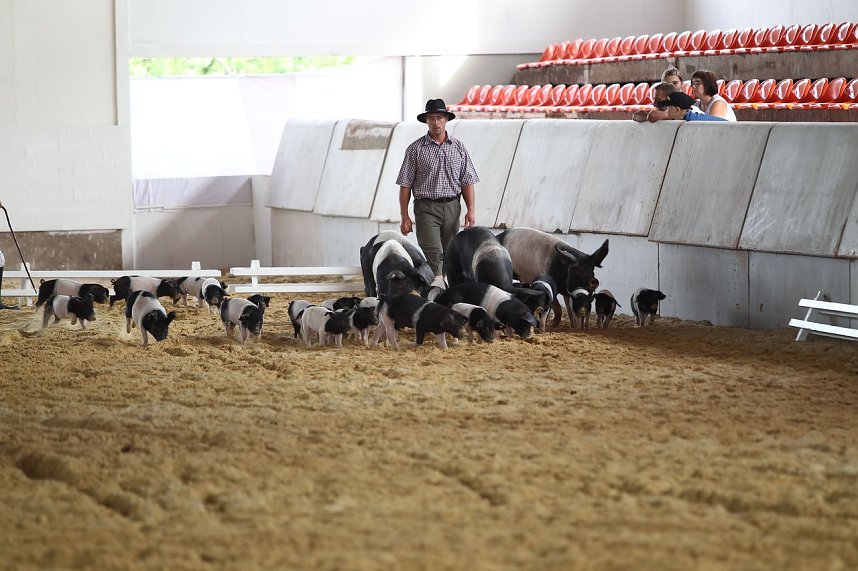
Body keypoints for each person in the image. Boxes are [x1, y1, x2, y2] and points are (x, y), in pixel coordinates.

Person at [397, 99, 479, 279]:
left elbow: (467, 180)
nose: (435, 122)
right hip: (426, 208)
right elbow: (405, 184)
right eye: (431, 118)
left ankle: (441, 291)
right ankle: (438, 294)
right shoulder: (415, 149)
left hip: (452, 207)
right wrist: (404, 215)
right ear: (426, 120)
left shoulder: (459, 148)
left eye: (439, 118)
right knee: (435, 254)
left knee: (449, 254)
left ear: (446, 119)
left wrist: (470, 210)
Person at [655, 91, 728, 122]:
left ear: (677, 110)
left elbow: (724, 124)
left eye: (667, 108)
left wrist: (665, 115)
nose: (665, 110)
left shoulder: (691, 118)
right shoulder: (687, 116)